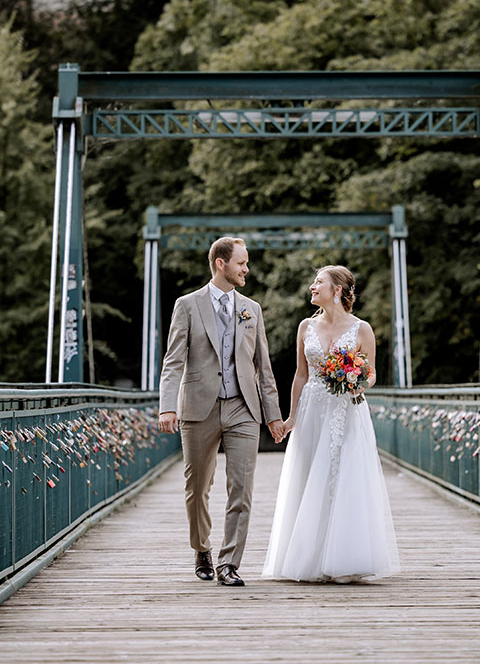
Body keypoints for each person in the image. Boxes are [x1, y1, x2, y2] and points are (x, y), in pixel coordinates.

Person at [158, 237, 285, 587]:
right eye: (241, 263)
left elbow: (264, 367)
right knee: (197, 487)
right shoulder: (187, 305)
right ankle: (202, 549)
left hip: (244, 407)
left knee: (241, 488)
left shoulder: (251, 309)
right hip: (199, 407)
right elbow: (173, 360)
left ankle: (230, 563)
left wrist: (273, 415)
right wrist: (167, 406)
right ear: (220, 263)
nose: (247, 269)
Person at [262, 265, 400, 583]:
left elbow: (373, 373)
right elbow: (300, 374)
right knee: (310, 476)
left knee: (344, 477)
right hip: (312, 410)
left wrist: (358, 380)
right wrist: (292, 416)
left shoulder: (361, 329)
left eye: (318, 282)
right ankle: (308, 557)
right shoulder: (305, 327)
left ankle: (344, 558)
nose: (312, 287)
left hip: (347, 410)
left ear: (336, 289)